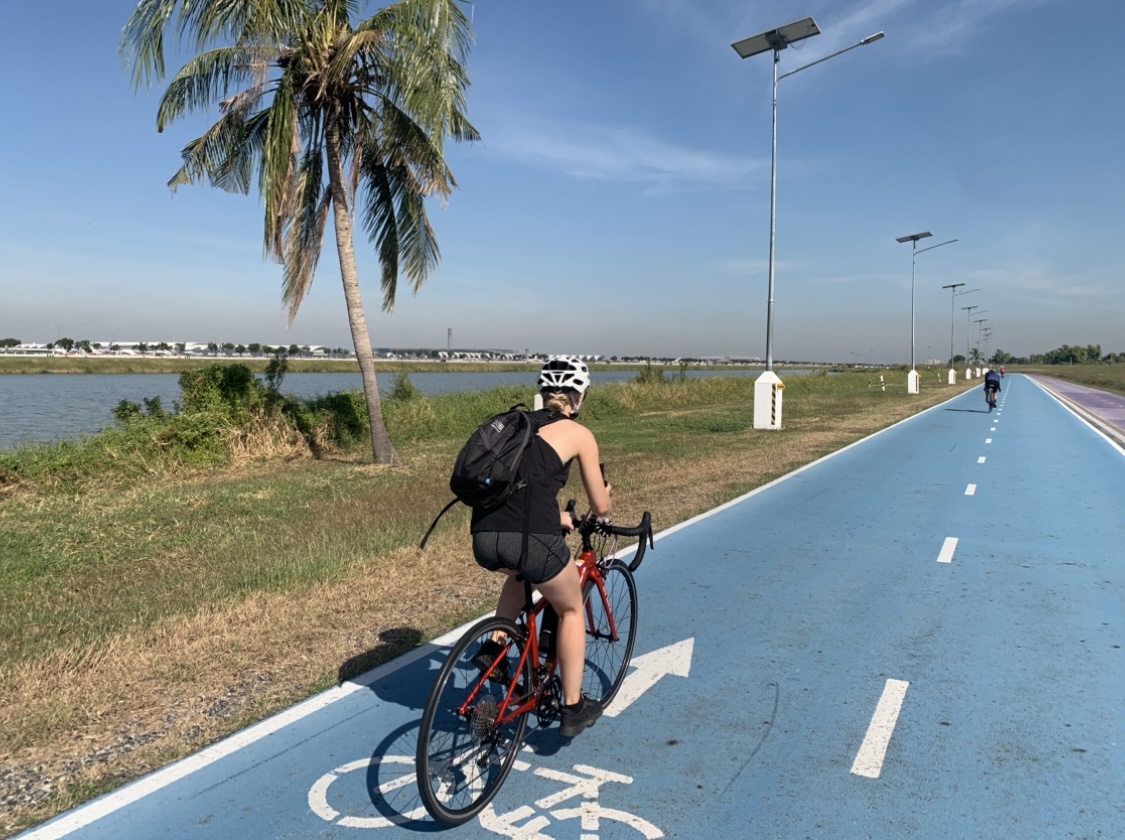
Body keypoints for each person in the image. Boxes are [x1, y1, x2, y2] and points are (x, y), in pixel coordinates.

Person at [469, 355, 613, 737]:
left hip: (484, 537)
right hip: (531, 539)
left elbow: (523, 492)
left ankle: (495, 648)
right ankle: (572, 707)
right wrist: (605, 500)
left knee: (519, 572)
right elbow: (600, 506)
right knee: (569, 609)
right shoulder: (579, 434)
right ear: (577, 397)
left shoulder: (518, 426)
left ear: (543, 392)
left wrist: (560, 519)